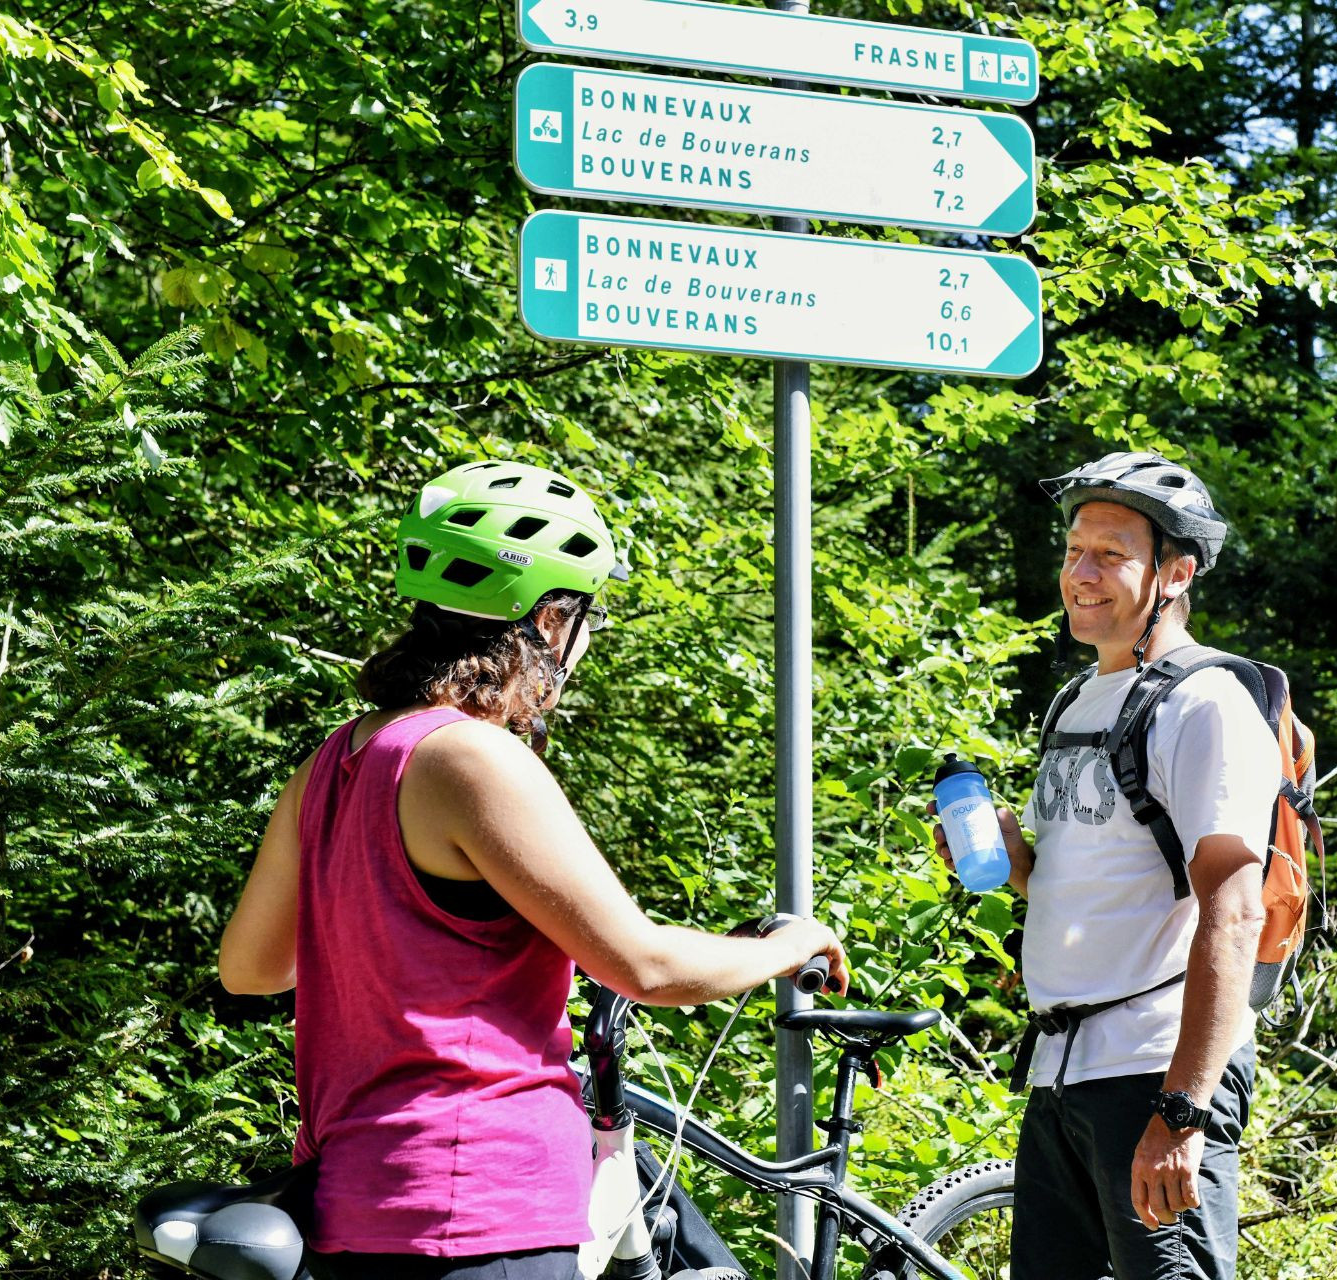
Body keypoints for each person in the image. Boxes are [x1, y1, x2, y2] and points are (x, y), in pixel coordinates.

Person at [218, 459, 848, 1280]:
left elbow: (252, 968)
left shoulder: (333, 761)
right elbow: (647, 966)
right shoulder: (473, 759)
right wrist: (789, 944)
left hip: (350, 1203)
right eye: (588, 616)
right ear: (551, 618)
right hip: (480, 1207)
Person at [935, 452, 1278, 1280]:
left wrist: (1183, 1109)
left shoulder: (1204, 704)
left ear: (1176, 573)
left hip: (1154, 1069)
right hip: (1063, 1073)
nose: (1080, 575)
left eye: (1111, 555)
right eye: (1073, 551)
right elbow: (1098, 887)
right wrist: (1017, 862)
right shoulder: (1078, 699)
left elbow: (1235, 912)